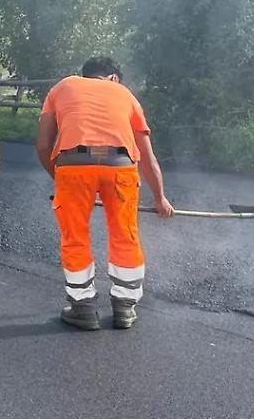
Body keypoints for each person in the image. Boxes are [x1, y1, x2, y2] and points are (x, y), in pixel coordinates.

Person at [36, 57, 175, 331]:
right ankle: (125, 307)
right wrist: (160, 198)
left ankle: (83, 308)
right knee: (126, 235)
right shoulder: (126, 95)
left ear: (85, 75)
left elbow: (43, 146)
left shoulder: (62, 87)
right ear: (113, 78)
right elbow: (147, 157)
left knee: (75, 238)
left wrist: (62, 179)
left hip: (73, 163)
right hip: (120, 167)